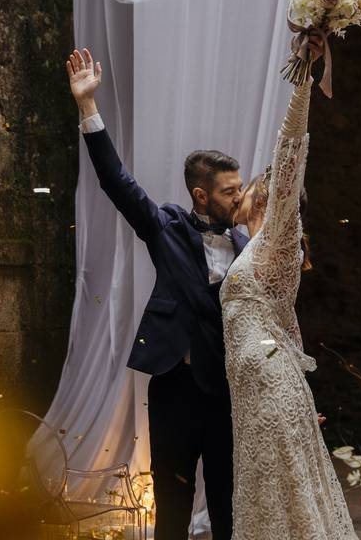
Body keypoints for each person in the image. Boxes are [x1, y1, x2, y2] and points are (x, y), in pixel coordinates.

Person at [66, 48, 246, 540]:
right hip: (174, 386)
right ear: (201, 195)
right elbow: (117, 183)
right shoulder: (166, 226)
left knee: (230, 503)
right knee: (172, 499)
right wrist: (88, 108)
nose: (239, 197)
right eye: (230, 191)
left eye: (240, 187)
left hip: (229, 390)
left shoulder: (251, 244)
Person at [220, 73, 357, 539]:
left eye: (252, 184)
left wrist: (302, 83)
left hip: (267, 391)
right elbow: (282, 324)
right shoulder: (252, 248)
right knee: (270, 502)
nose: (241, 192)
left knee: (285, 502)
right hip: (260, 392)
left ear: (269, 196)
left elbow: (290, 152)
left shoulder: (278, 241)